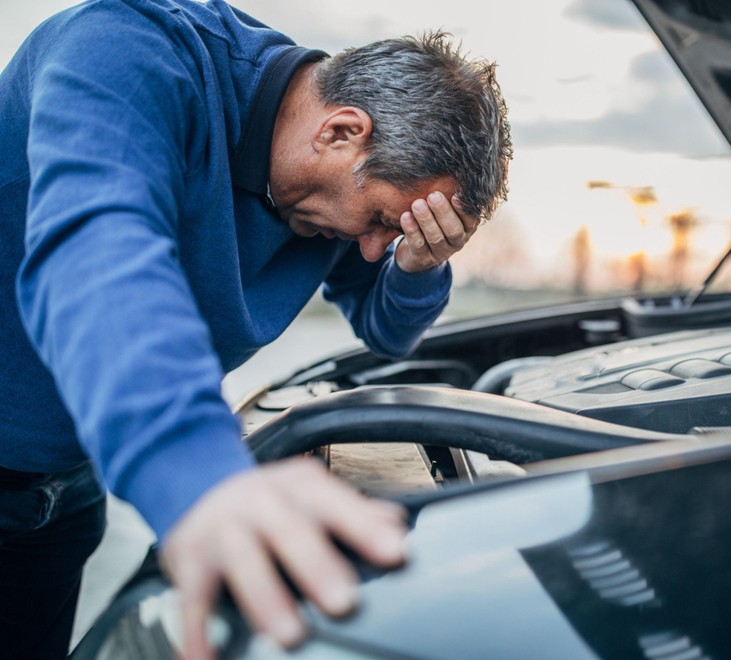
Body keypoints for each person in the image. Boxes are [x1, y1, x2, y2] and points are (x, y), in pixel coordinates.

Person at [0, 0, 512, 657]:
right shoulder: (127, 52)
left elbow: (385, 332)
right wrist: (197, 474)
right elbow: (96, 256)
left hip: (65, 490)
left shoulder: (331, 194)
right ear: (341, 132)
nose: (369, 249)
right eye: (384, 219)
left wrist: (417, 264)